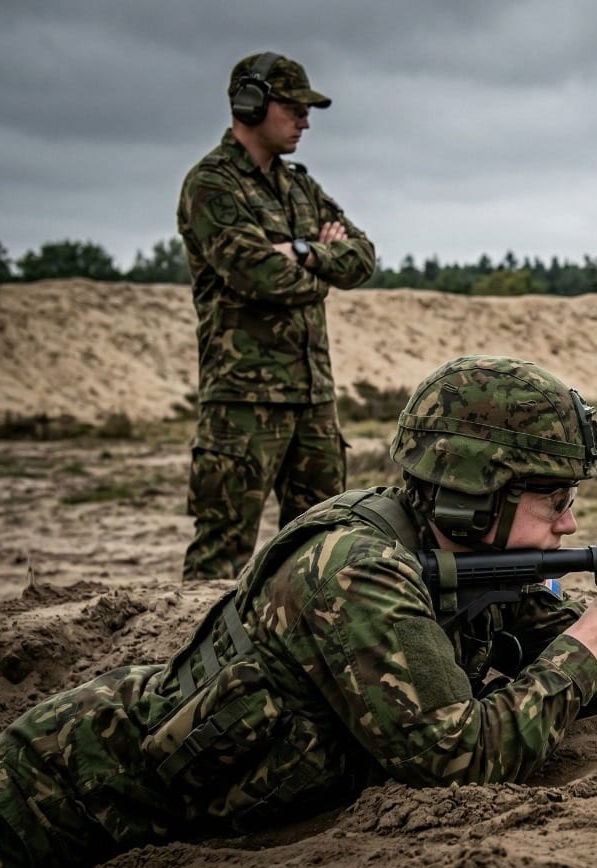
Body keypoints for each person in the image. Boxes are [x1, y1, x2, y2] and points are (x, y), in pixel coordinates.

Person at [0, 355, 597, 868]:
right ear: (477, 487)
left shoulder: (469, 552)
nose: (569, 523)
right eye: (551, 498)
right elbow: (461, 757)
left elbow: (578, 652)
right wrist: (580, 650)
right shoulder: (355, 571)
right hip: (53, 802)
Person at [179, 51, 376, 581]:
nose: (305, 122)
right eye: (292, 109)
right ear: (251, 104)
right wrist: (316, 265)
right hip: (243, 401)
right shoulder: (212, 185)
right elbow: (258, 274)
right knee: (221, 550)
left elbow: (362, 257)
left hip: (313, 398)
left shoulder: (300, 187)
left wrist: (304, 251)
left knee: (322, 546)